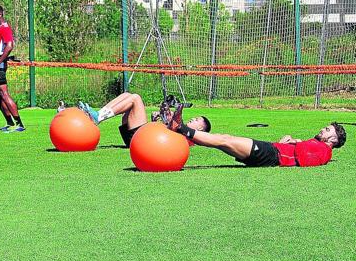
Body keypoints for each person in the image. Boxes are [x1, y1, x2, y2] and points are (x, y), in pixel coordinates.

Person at [169, 118, 347, 167]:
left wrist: (294, 143)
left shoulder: (325, 150)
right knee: (223, 141)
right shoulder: (321, 147)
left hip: (270, 154)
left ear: (334, 139)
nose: (323, 129)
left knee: (225, 139)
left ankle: (181, 128)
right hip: (271, 151)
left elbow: (305, 158)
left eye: (328, 130)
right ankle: (186, 135)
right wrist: (292, 142)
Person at [79, 92, 211, 147]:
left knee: (135, 98)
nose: (193, 118)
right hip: (140, 139)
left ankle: (98, 117)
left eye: (197, 119)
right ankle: (98, 114)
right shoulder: (182, 128)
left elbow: (166, 142)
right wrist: (155, 121)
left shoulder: (190, 139)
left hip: (140, 140)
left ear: (200, 129)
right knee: (127, 94)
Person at [0, 4, 24, 133]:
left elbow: (10, 45)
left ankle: (19, 124)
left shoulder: (5, 28)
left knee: (4, 94)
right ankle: (9, 123)